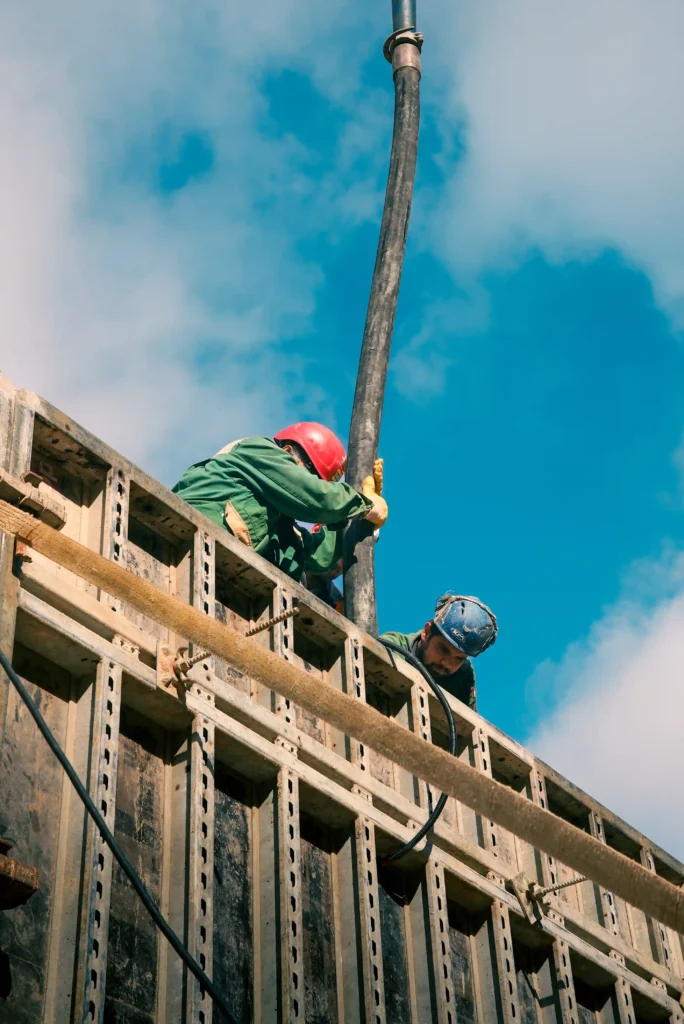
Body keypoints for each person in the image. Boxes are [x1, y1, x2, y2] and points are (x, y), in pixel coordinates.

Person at [172, 422, 387, 584]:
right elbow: (314, 496)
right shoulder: (261, 451)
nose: (313, 482)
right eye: (311, 475)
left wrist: (360, 524)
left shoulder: (276, 518)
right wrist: (364, 504)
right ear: (287, 452)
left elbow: (318, 556)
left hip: (219, 562)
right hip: (187, 530)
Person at [380, 593, 497, 710]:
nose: (447, 663)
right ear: (426, 632)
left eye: (459, 659)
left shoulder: (463, 674)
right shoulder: (392, 648)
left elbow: (465, 725)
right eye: (443, 649)